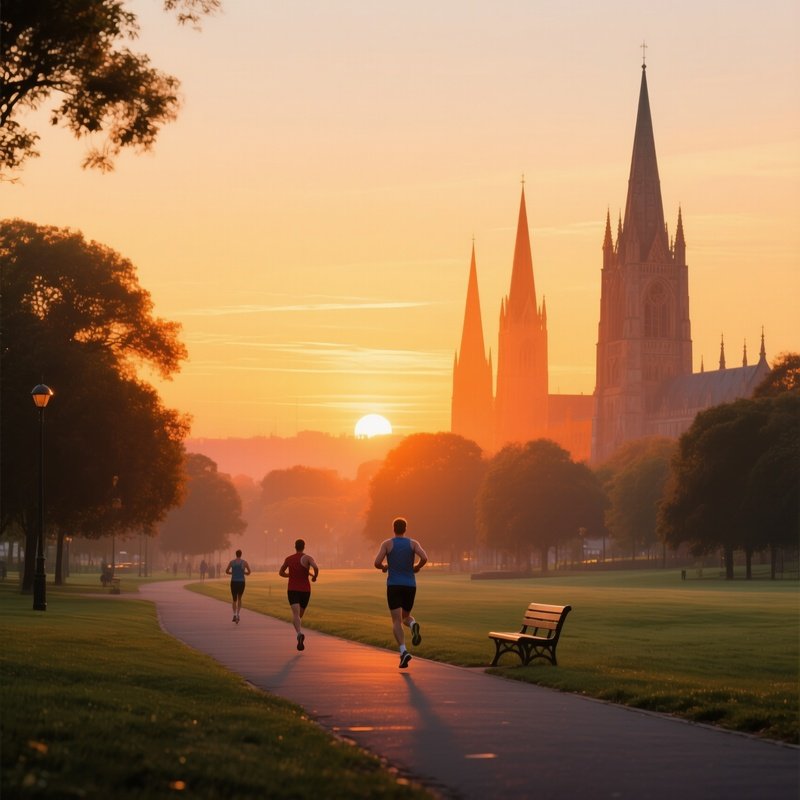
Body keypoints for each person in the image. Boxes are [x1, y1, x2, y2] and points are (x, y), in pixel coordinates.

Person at [374, 517, 428, 668]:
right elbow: (424, 557)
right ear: (405, 529)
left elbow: (376, 563)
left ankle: (404, 652)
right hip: (410, 585)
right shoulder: (413, 543)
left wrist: (384, 567)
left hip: (394, 585)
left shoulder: (387, 544)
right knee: (406, 617)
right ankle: (413, 625)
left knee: (396, 621)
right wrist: (417, 567)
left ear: (393, 529)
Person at [279, 539, 319, 651]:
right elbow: (315, 567)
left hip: (292, 589)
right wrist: (315, 576)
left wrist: (289, 575)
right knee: (299, 615)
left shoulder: (289, 559)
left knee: (296, 615)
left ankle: (299, 634)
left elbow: (281, 573)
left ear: (295, 546)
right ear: (304, 547)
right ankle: (299, 633)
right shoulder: (308, 558)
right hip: (305, 590)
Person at [225, 549, 251, 624]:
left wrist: (232, 573)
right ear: (241, 554)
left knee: (234, 599)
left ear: (236, 554)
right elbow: (249, 572)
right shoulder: (244, 563)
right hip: (241, 582)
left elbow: (226, 571)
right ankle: (238, 614)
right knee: (239, 598)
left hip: (234, 582)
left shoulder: (232, 562)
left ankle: (234, 614)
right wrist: (243, 573)